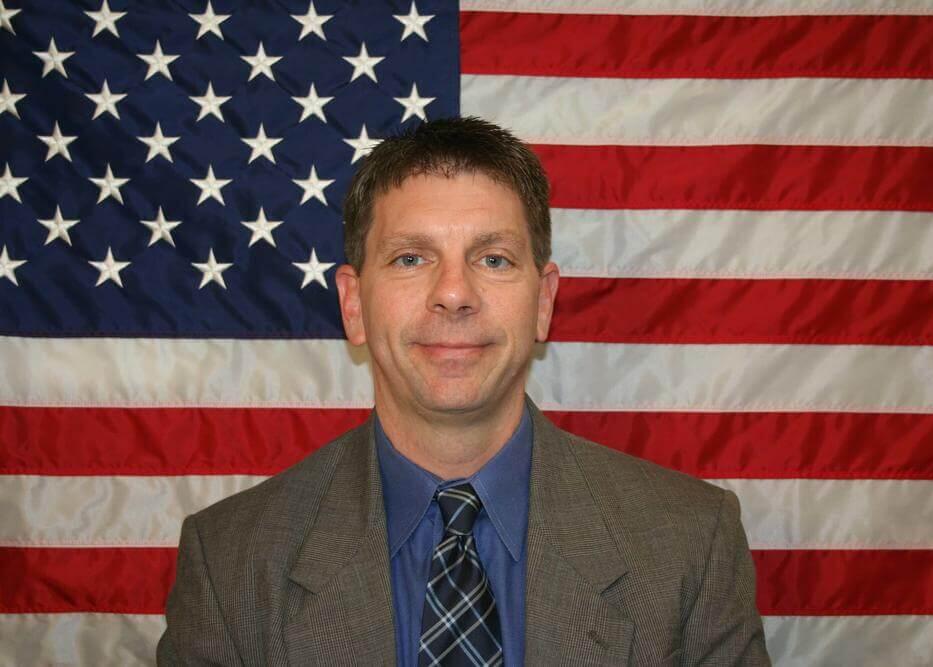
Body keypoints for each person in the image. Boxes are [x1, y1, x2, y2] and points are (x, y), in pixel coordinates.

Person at [158, 117, 770, 666]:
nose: (454, 293)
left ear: (544, 301)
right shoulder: (231, 560)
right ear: (353, 304)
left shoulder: (692, 542)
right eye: (411, 259)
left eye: (494, 260)